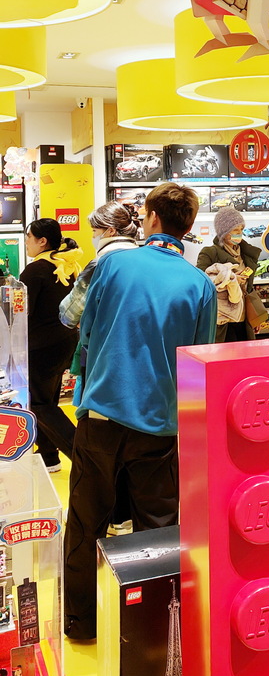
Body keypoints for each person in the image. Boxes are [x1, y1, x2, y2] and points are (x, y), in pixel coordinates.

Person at [64, 183, 217, 641]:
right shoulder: (199, 284)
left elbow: (84, 329)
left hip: (103, 418)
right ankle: (155, 631)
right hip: (160, 426)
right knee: (159, 526)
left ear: (150, 217)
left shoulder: (113, 264)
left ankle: (81, 622)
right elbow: (200, 359)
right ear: (188, 227)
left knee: (86, 520)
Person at [59, 201, 141, 404]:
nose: (93, 237)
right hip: (142, 351)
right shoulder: (147, 258)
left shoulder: (100, 264)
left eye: (95, 231)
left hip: (103, 355)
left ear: (111, 230)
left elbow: (68, 315)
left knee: (98, 419)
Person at [20, 219, 83, 472]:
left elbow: (24, 311)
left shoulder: (35, 271)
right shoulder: (66, 265)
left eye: (29, 237)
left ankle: (81, 454)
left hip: (41, 348)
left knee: (39, 405)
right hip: (64, 343)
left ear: (42, 241)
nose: (26, 242)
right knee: (47, 401)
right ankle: (49, 457)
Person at [196, 207, 261, 341]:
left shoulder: (246, 253)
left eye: (241, 230)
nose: (239, 234)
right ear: (224, 232)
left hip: (244, 319)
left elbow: (249, 288)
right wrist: (231, 279)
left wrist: (256, 316)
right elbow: (201, 282)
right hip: (221, 320)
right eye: (235, 230)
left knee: (244, 359)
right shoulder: (210, 252)